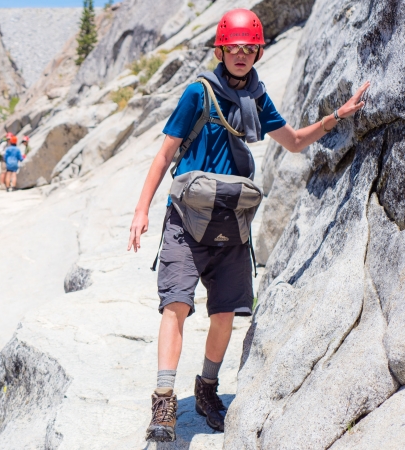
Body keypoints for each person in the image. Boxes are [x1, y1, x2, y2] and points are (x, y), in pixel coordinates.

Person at [126, 9, 370, 442]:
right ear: (220, 49)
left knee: (225, 313)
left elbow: (293, 141)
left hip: (231, 220)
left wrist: (338, 116)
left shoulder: (257, 97)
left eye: (248, 47)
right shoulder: (198, 93)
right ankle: (164, 400)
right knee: (175, 305)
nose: (240, 54)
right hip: (185, 216)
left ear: (257, 50)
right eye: (233, 47)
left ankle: (206, 390)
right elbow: (165, 155)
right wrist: (142, 210)